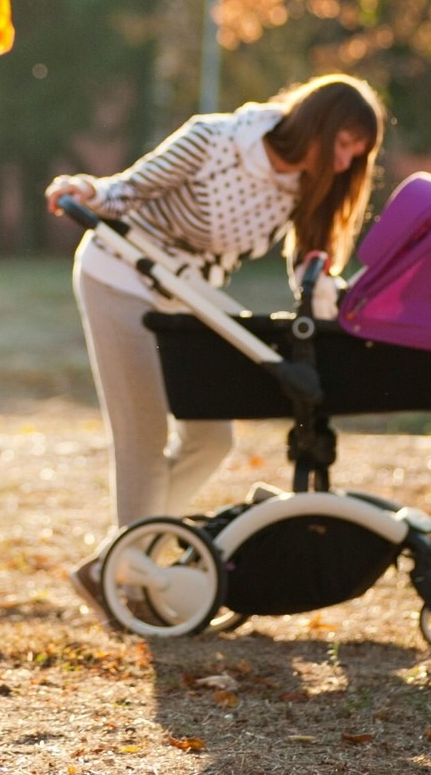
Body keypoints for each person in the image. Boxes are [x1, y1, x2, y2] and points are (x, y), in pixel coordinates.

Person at [44, 73, 385, 619]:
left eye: (357, 154)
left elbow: (311, 268)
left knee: (210, 436)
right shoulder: (217, 140)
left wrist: (335, 309)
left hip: (190, 295)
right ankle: (128, 590)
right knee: (144, 437)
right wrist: (85, 190)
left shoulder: (307, 185)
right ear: (318, 125)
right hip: (121, 275)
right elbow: (127, 189)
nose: (346, 163)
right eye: (344, 144)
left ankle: (116, 563)